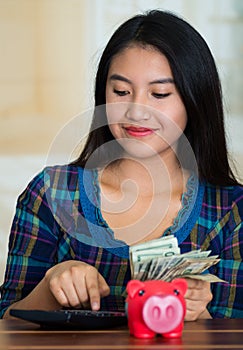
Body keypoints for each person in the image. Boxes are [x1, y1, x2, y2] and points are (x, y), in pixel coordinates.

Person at [0, 9, 243, 321]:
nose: (136, 111)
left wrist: (202, 315)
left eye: (159, 93)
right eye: (121, 91)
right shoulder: (50, 194)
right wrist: (50, 288)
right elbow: (6, 326)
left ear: (194, 100)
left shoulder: (231, 212)